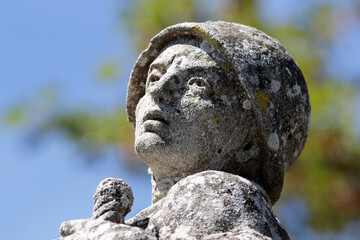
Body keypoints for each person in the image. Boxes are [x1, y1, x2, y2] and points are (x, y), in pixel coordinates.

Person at [59, 21, 310, 240]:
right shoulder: (146, 218)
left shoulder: (216, 188)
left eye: (197, 83)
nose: (158, 91)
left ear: (249, 142)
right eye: (154, 78)